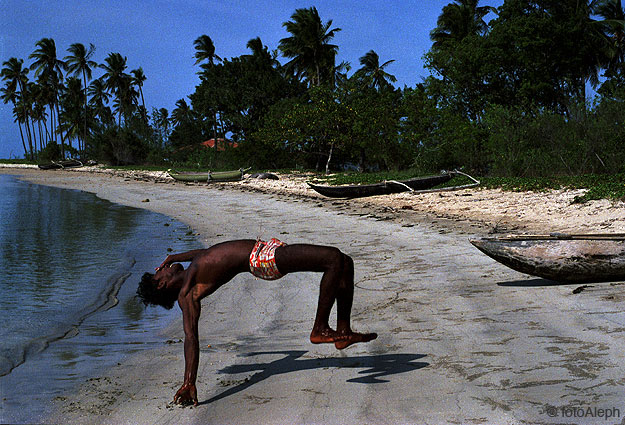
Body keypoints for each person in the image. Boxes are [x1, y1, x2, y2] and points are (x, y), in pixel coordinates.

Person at [137, 238, 378, 406]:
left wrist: (175, 256)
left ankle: (343, 331)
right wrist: (189, 381)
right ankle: (320, 329)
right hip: (261, 260)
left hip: (263, 252)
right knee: (333, 258)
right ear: (160, 283)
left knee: (345, 261)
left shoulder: (192, 269)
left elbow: (204, 254)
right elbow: (191, 337)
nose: (163, 268)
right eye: (158, 272)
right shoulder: (187, 293)